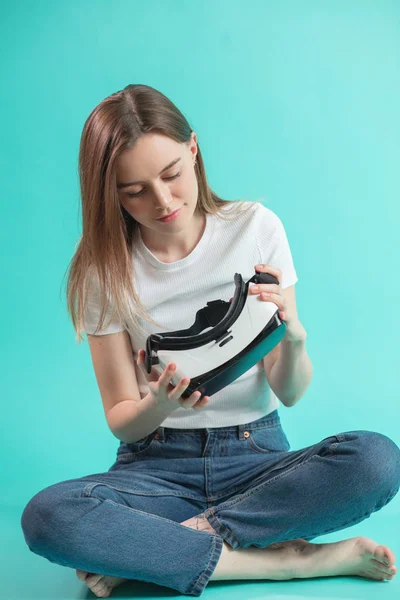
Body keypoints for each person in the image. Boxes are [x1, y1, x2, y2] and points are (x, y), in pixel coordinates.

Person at [20, 84, 400, 598]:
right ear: (109, 192)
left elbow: (289, 392)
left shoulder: (256, 229)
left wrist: (295, 339)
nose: (163, 200)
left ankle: (165, 549)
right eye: (134, 191)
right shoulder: (102, 270)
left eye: (172, 174)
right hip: (155, 469)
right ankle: (285, 563)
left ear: (193, 150)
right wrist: (158, 402)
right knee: (48, 517)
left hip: (257, 459)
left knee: (377, 459)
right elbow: (120, 416)